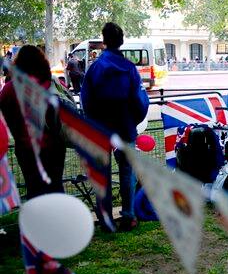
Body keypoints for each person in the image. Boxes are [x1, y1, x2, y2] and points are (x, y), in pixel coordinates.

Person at [81, 22, 149, 232]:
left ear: (104, 41)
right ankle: (128, 215)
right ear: (122, 41)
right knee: (127, 171)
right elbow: (140, 101)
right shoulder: (129, 68)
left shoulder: (95, 69)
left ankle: (106, 219)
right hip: (125, 126)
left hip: (101, 128)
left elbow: (86, 101)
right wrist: (133, 121)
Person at [0, 45, 67, 199]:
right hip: (54, 148)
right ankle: (59, 219)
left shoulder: (9, 90)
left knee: (34, 191)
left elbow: (6, 116)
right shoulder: (51, 84)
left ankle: (36, 221)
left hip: (26, 149)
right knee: (56, 188)